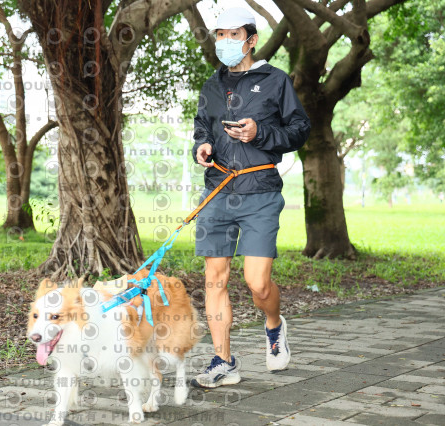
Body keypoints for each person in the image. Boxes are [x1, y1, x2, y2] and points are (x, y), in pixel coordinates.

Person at [190, 7, 311, 388]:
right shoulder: (211, 86)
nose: (224, 41)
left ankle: (274, 325)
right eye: (219, 35)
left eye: (232, 34)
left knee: (258, 284)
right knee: (215, 280)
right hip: (219, 190)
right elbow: (200, 128)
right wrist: (203, 146)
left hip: (260, 191)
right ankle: (223, 362)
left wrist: (259, 133)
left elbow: (299, 130)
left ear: (251, 38)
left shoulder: (276, 81)